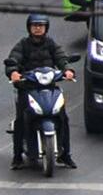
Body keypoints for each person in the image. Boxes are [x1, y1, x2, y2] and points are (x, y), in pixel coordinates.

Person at [6, 12, 75, 169]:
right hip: (27, 87)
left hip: (49, 88)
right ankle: (17, 156)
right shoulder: (23, 44)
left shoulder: (51, 43)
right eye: (34, 25)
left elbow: (61, 58)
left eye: (41, 26)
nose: (37, 28)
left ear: (46, 28)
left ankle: (65, 155)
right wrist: (13, 72)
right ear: (29, 28)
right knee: (21, 119)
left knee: (63, 118)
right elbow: (13, 59)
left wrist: (68, 70)